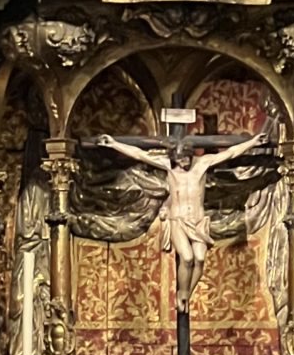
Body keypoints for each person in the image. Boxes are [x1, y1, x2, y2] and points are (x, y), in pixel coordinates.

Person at [97, 131, 267, 312]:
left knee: (200, 258)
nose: (183, 163)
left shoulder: (202, 163)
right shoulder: (169, 167)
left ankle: (186, 294)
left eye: (186, 159)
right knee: (187, 257)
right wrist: (114, 143)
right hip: (178, 220)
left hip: (198, 220)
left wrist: (253, 142)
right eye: (179, 159)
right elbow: (140, 154)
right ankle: (182, 293)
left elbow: (231, 152)